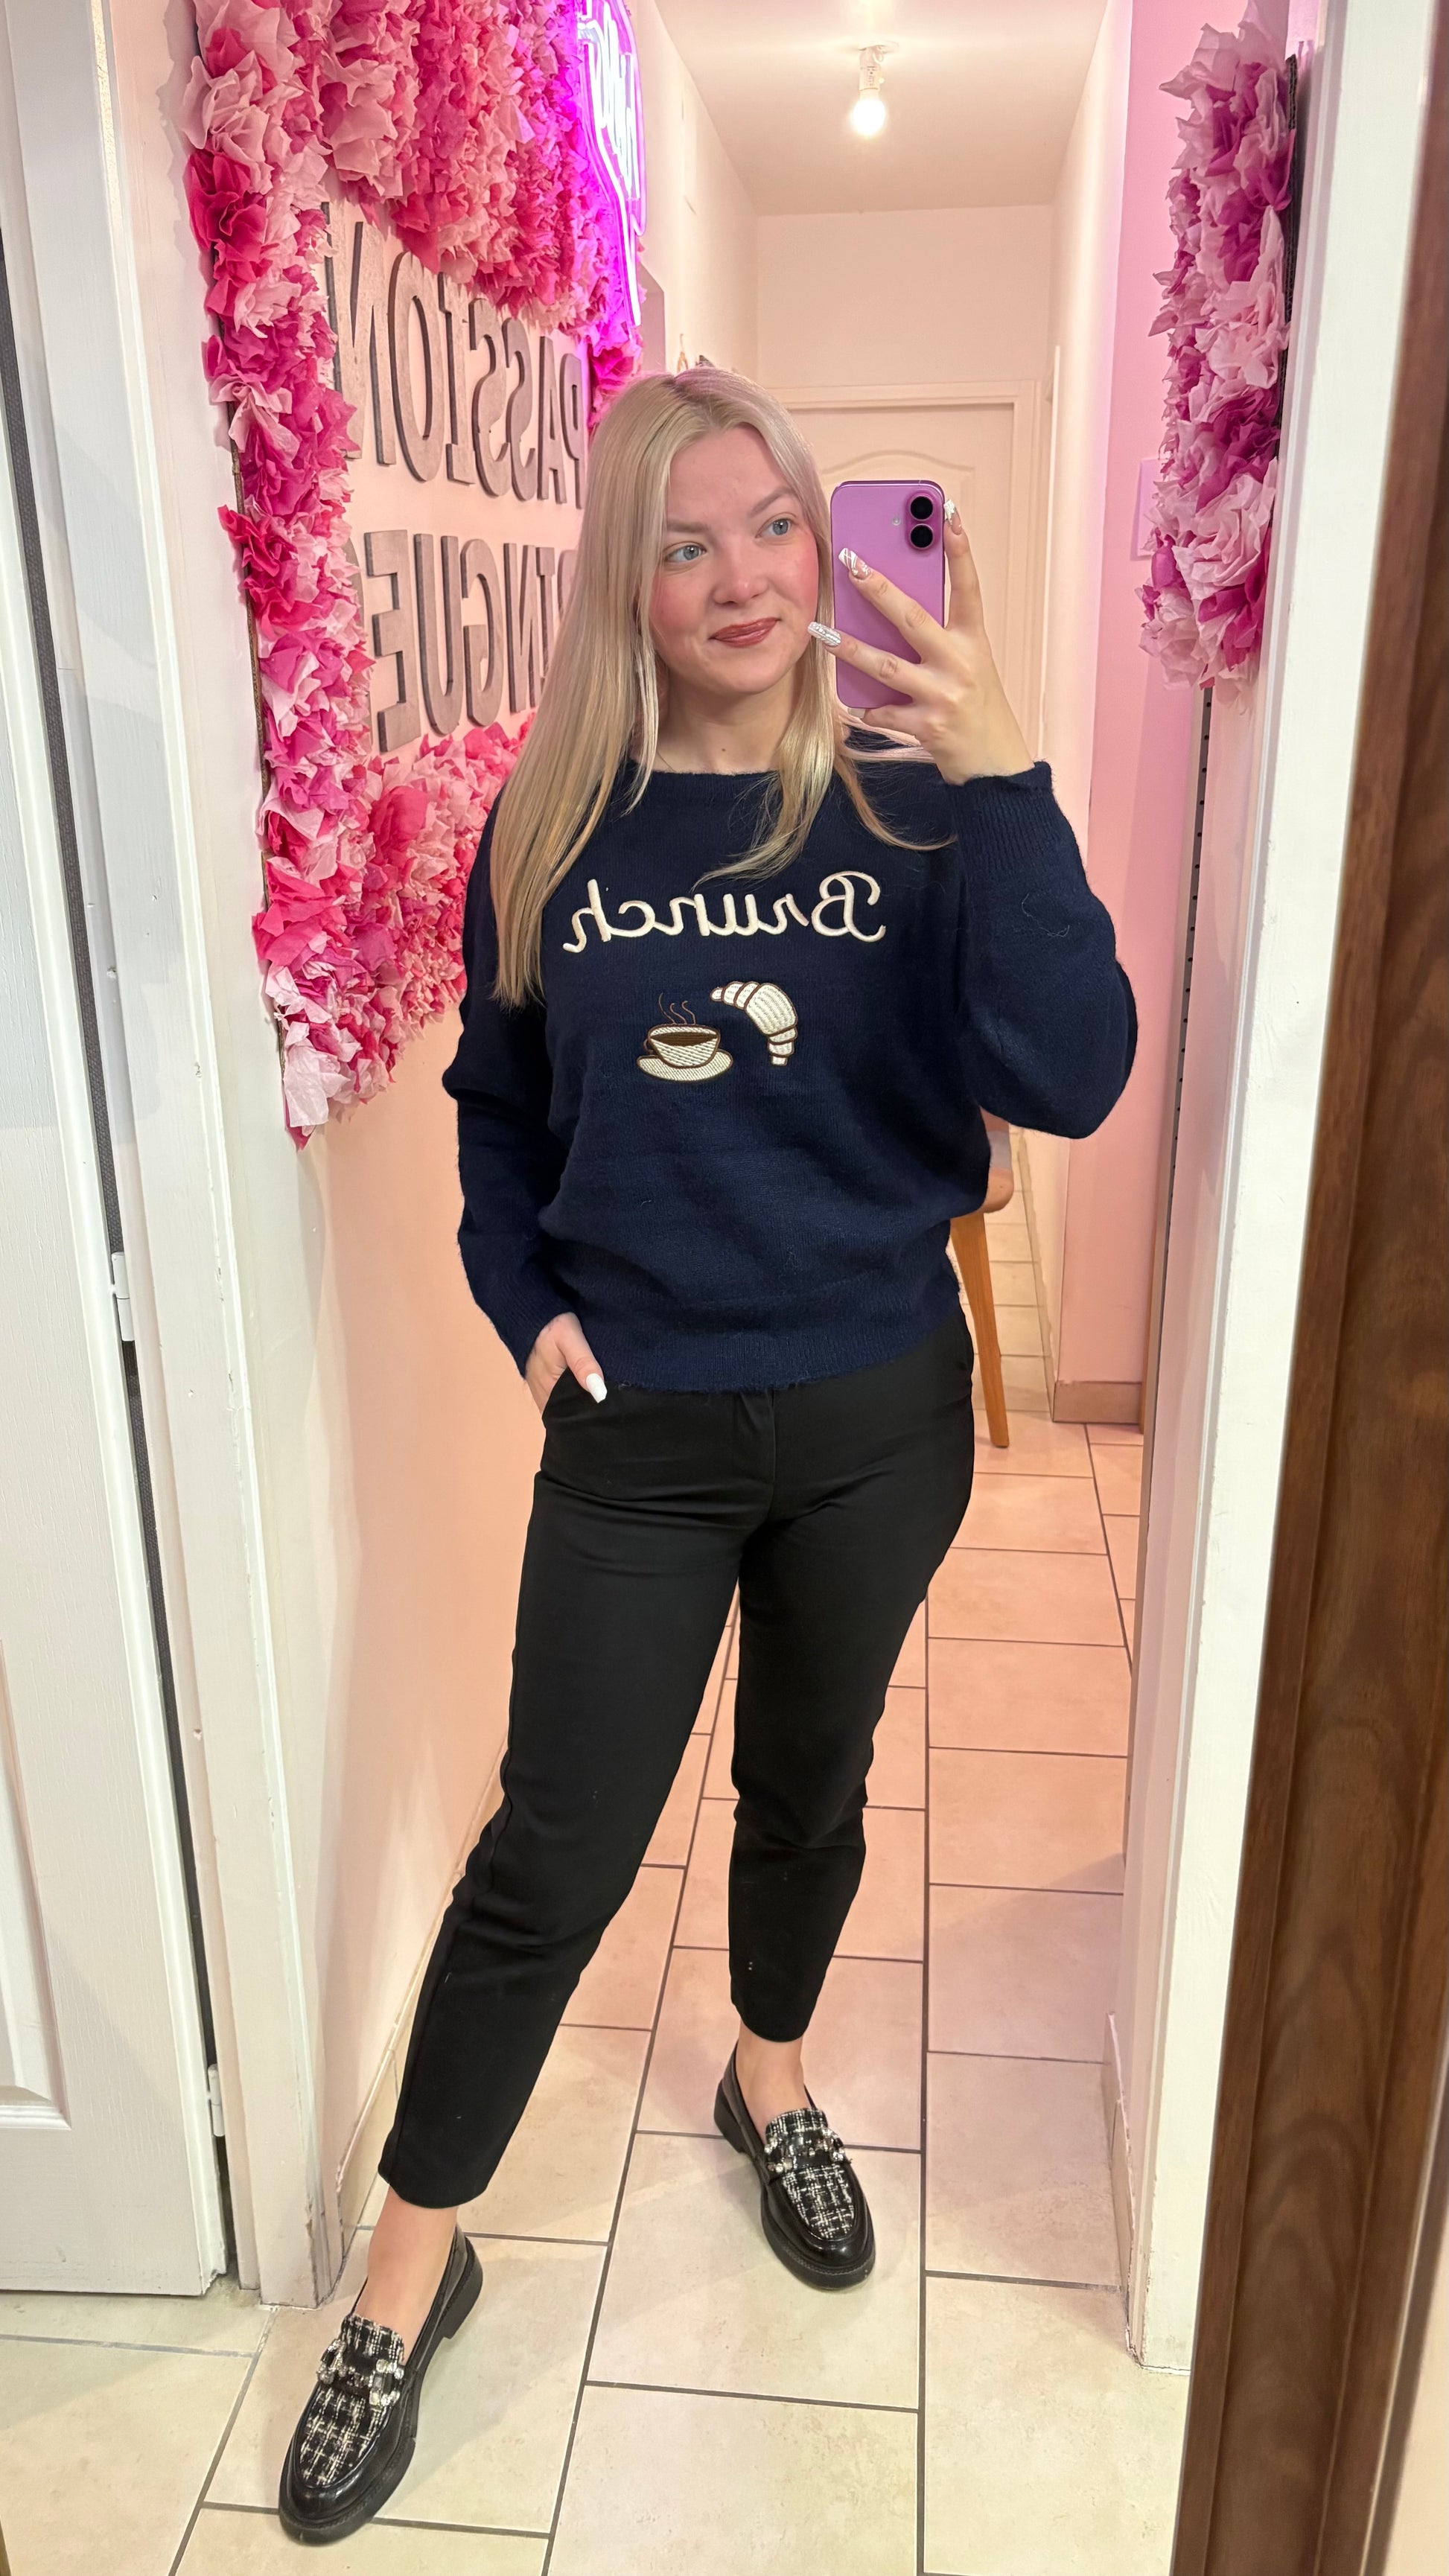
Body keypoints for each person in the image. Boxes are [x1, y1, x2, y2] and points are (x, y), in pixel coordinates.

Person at [279, 367, 1136, 2544]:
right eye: (684, 544)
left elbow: (1071, 1072)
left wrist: (1009, 768)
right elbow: (496, 1108)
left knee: (809, 1785)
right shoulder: (552, 828)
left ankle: (770, 2079)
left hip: (872, 1409)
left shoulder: (920, 802)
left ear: (827, 543)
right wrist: (523, 1306)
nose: (743, 577)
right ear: (627, 585)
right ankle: (407, 2272)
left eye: (773, 525)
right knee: (552, 1851)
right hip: (640, 1430)